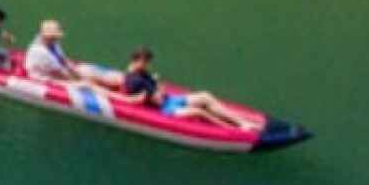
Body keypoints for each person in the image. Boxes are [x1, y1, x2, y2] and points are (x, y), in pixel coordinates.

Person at [113, 49, 258, 129]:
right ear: (137, 61)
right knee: (200, 111)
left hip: (170, 100)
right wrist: (157, 90)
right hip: (166, 109)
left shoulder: (142, 72)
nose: (147, 65)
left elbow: (158, 88)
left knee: (205, 96)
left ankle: (241, 122)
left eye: (147, 62)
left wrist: (157, 87)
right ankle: (232, 129)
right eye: (145, 62)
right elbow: (150, 98)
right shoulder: (134, 80)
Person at [22, 20, 126, 91]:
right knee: (87, 85)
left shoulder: (52, 43)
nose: (56, 39)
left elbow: (63, 60)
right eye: (53, 37)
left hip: (58, 72)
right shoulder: (40, 52)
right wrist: (80, 80)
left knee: (88, 70)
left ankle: (121, 81)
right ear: (46, 36)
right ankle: (121, 99)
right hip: (46, 78)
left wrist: (77, 70)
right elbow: (58, 74)